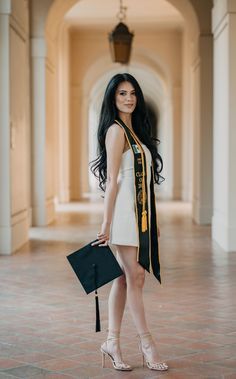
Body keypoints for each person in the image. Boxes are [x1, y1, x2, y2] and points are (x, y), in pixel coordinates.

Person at [90, 73, 168, 372]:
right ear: (113, 98)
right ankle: (147, 343)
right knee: (135, 276)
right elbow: (113, 181)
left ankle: (111, 341)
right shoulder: (115, 131)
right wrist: (106, 222)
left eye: (133, 93)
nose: (129, 98)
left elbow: (145, 183)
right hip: (123, 216)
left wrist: (153, 219)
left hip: (141, 217)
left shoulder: (136, 133)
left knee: (124, 279)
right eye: (122, 93)